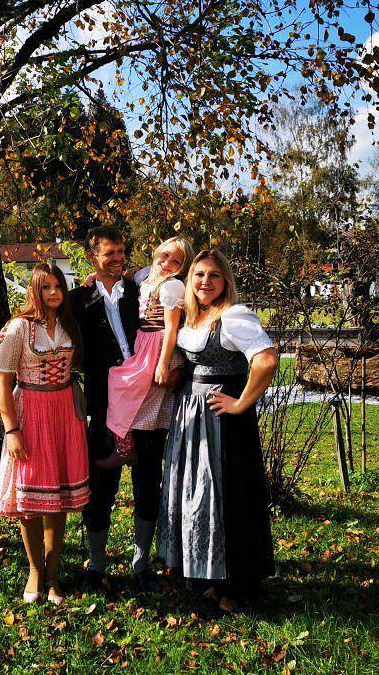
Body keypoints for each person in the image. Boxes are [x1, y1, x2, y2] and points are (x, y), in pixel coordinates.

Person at [157, 249, 279, 612]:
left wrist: (241, 403)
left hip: (222, 422)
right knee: (200, 494)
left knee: (227, 495)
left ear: (226, 281)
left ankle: (237, 584)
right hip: (190, 417)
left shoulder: (234, 316)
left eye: (213, 276)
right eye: (198, 275)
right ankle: (210, 577)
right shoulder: (196, 317)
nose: (205, 282)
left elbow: (267, 359)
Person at [68, 226, 172, 595]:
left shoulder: (140, 289)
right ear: (92, 256)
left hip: (148, 399)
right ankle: (96, 564)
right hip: (103, 403)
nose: (118, 258)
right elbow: (46, 317)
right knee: (101, 486)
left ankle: (141, 564)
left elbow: (175, 285)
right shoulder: (77, 300)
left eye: (122, 251)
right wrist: (13, 328)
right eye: (109, 253)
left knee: (147, 483)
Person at [0, 263, 89, 605]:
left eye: (58, 286)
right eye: (46, 287)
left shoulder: (69, 324)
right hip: (31, 412)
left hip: (65, 412)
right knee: (31, 501)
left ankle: (53, 576)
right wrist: (11, 429)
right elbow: (2, 382)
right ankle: (35, 570)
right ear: (34, 291)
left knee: (58, 498)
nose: (53, 293)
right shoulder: (19, 328)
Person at [98, 236, 193, 469]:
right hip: (144, 343)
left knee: (128, 388)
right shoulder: (147, 275)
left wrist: (163, 364)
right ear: (157, 252)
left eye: (176, 261)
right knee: (120, 384)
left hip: (158, 345)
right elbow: (130, 274)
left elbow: (171, 329)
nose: (167, 262)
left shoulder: (172, 286)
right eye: (165, 254)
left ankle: (133, 448)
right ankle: (126, 446)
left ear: (183, 268)